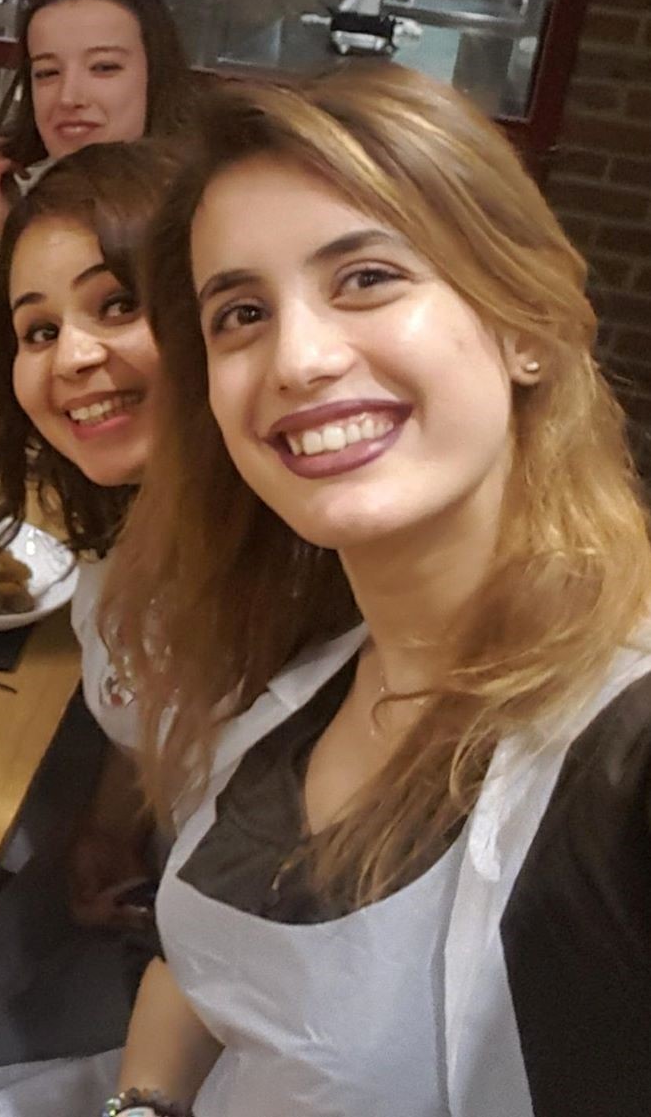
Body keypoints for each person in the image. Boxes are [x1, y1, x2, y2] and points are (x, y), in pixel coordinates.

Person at [99, 64, 651, 1116]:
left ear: (526, 324)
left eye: (365, 278)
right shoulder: (307, 654)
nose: (298, 359)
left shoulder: (621, 757)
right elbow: (199, 971)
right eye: (241, 313)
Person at [0, 142, 180, 1109]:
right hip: (154, 914)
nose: (76, 355)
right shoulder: (144, 517)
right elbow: (146, 704)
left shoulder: (304, 580)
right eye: (40, 329)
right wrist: (110, 822)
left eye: (118, 305)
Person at [0, 0, 197, 241]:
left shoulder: (202, 211)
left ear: (157, 73)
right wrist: (6, 224)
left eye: (104, 67)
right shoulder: (31, 197)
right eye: (47, 72)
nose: (68, 98)